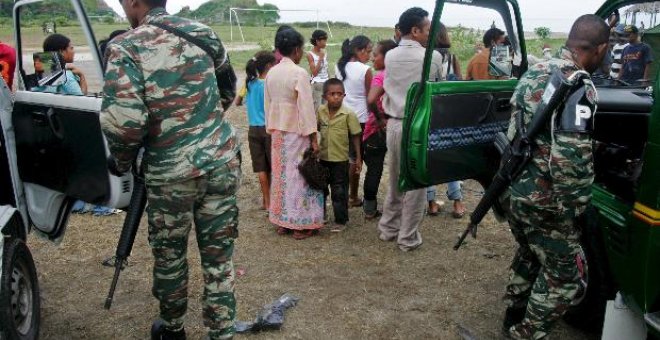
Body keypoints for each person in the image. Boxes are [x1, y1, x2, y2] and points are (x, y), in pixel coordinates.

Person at [100, 0, 240, 338]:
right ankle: (222, 331)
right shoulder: (203, 32)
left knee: (170, 257)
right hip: (220, 162)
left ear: (134, 2)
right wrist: (199, 126)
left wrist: (120, 162)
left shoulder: (126, 46)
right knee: (219, 256)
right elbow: (227, 89)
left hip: (170, 172)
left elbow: (125, 124)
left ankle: (173, 327)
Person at [502, 14, 609, 340]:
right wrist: (576, 209)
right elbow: (571, 157)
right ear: (601, 48)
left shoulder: (536, 70)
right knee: (565, 277)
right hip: (545, 201)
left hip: (515, 189)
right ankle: (524, 334)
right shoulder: (579, 84)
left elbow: (514, 132)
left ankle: (513, 314)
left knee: (531, 253)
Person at [378, 7, 443, 252]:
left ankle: (388, 228)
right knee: (416, 182)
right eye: (427, 29)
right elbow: (435, 90)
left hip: (393, 124)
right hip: (418, 126)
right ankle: (407, 237)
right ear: (415, 31)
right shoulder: (432, 57)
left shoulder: (390, 56)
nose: (430, 33)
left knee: (394, 178)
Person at [265, 28, 324, 239]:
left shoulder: (271, 72)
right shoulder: (299, 73)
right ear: (297, 50)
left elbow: (268, 103)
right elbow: (306, 108)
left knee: (282, 177)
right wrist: (314, 137)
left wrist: (271, 125)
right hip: (297, 131)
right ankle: (302, 222)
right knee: (301, 176)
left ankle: (284, 221)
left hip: (278, 131)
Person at [428, 22, 467, 218]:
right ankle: (457, 203)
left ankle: (432, 202)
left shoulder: (425, 58)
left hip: (430, 113)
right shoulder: (452, 58)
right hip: (450, 115)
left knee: (430, 157)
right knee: (452, 157)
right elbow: (459, 85)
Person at [317, 78, 362, 232]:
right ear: (324, 96)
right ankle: (319, 215)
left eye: (339, 94)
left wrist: (358, 158)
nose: (336, 97)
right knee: (321, 188)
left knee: (339, 191)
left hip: (340, 160)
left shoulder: (348, 114)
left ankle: (341, 220)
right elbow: (316, 129)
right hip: (323, 158)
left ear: (344, 95)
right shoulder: (320, 111)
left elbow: (356, 136)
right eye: (332, 94)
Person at [335, 35, 373, 208]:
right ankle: (353, 196)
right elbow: (369, 98)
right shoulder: (365, 70)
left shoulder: (339, 66)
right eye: (369, 51)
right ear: (359, 50)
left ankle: (343, 194)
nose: (370, 55)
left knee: (344, 158)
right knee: (356, 159)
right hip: (360, 119)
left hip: (342, 117)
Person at [363, 39, 397, 220]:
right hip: (396, 126)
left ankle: (369, 208)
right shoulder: (399, 75)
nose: (372, 59)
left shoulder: (381, 76)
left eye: (376, 55)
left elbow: (370, 100)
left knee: (374, 169)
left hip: (376, 130)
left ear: (388, 57)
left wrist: (379, 118)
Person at [245, 51, 276, 211]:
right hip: (268, 129)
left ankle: (266, 201)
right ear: (269, 66)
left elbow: (239, 100)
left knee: (261, 168)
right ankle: (276, 201)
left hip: (252, 130)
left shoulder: (250, 84)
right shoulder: (269, 84)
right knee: (273, 166)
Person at [307, 29, 329, 111]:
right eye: (324, 40)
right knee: (317, 109)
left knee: (326, 109)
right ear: (317, 41)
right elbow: (314, 73)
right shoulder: (310, 54)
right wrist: (320, 58)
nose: (326, 42)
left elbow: (326, 69)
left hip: (326, 83)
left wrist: (330, 80)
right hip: (317, 84)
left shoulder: (324, 52)